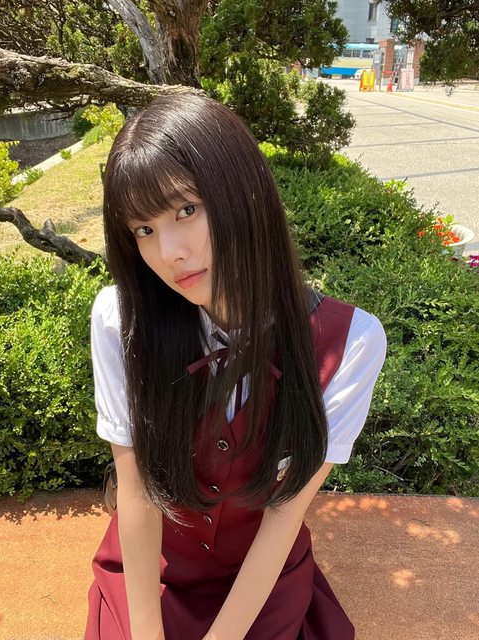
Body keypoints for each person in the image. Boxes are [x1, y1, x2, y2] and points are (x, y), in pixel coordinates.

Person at [84, 93, 387, 640]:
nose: (169, 252)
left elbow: (283, 515)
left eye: (185, 210)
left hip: (260, 585)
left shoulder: (349, 343)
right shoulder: (121, 318)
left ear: (243, 191)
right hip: (151, 578)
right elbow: (137, 491)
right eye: (143, 229)